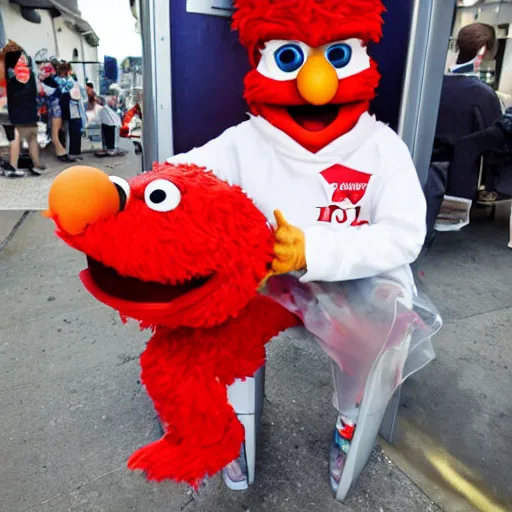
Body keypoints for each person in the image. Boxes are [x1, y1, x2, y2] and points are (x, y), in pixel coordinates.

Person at [167, 0, 426, 492]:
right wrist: (124, 201)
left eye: (335, 57)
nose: (315, 84)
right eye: (291, 58)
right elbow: (180, 179)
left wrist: (314, 250)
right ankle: (231, 427)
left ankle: (352, 423)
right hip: (263, 279)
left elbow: (405, 233)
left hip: (356, 282)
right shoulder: (246, 141)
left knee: (383, 332)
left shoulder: (381, 146)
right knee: (211, 320)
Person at [436, 23, 502, 199]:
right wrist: (491, 186)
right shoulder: (482, 94)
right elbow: (495, 146)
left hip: (420, 175)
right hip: (460, 184)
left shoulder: (432, 86)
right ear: (484, 51)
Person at [0, 40, 45, 177]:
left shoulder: (10, 73)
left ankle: (14, 166)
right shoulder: (28, 73)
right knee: (30, 139)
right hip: (26, 112)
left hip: (15, 113)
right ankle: (34, 165)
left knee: (16, 138)